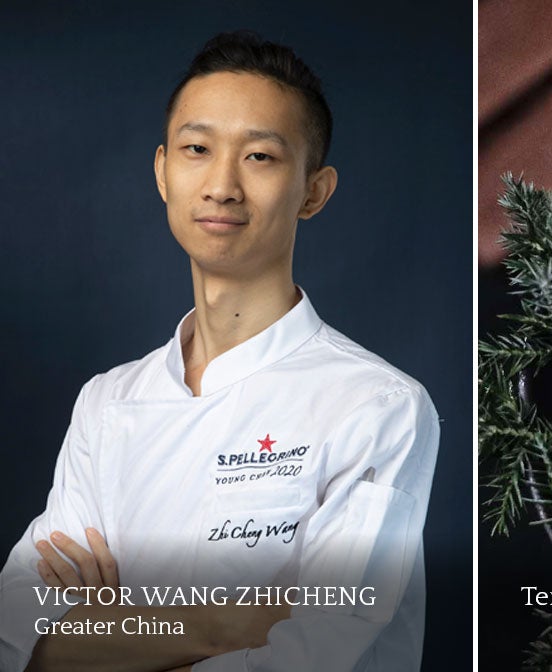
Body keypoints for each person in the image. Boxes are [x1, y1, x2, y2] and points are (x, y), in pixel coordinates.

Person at [0, 32, 439, 672]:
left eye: (260, 156)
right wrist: (220, 622)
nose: (222, 186)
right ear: (162, 172)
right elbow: (16, 636)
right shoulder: (107, 402)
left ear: (314, 191)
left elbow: (315, 653)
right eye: (197, 149)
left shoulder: (378, 407)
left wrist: (103, 630)